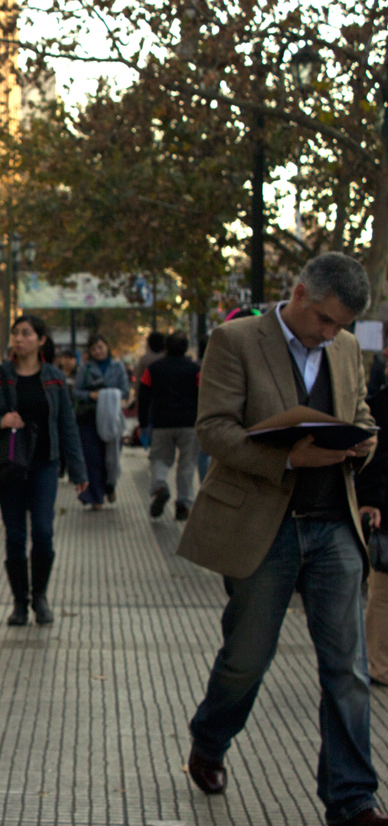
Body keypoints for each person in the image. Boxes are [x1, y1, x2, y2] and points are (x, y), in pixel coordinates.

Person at [178, 253, 387, 826]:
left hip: (333, 525)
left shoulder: (344, 348)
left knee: (347, 666)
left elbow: (359, 408)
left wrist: (364, 438)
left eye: (340, 326)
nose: (330, 334)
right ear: (297, 293)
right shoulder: (236, 339)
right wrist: (286, 460)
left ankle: (352, 799)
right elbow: (213, 429)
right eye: (323, 320)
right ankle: (210, 738)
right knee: (247, 658)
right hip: (263, 528)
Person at [0, 315, 87, 626]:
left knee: (44, 533)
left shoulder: (55, 378)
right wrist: (0, 421)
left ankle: (40, 597)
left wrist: (79, 471)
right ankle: (20, 603)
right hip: (9, 466)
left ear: (41, 340)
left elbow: (67, 426)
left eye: (26, 333)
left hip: (44, 465)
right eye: (15, 333)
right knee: (16, 534)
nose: (19, 339)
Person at [137, 331, 199, 520]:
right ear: (186, 348)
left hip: (162, 422)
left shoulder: (154, 369)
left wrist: (142, 423)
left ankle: (160, 485)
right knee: (187, 464)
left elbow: (143, 395)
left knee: (159, 459)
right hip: (189, 423)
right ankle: (183, 502)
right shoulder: (195, 369)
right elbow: (202, 394)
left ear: (166, 347)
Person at [356, 358, 388, 687]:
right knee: (383, 593)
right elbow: (374, 458)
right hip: (384, 508)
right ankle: (378, 664)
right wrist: (371, 502)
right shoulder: (380, 406)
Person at [73, 334, 129, 509]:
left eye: (100, 347)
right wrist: (92, 395)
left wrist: (110, 395)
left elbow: (125, 391)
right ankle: (95, 497)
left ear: (107, 347)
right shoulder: (86, 369)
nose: (98, 351)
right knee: (92, 458)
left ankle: (109, 486)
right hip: (89, 418)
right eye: (94, 348)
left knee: (110, 458)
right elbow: (76, 392)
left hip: (111, 418)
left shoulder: (117, 367)